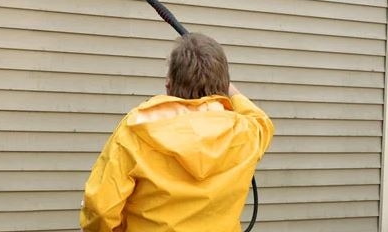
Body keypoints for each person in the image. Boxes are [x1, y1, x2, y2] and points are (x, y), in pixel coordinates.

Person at [79, 32, 274, 232]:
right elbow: (259, 117)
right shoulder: (247, 133)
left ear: (168, 83)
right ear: (224, 85)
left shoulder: (136, 129)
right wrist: (224, 84)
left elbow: (100, 210)